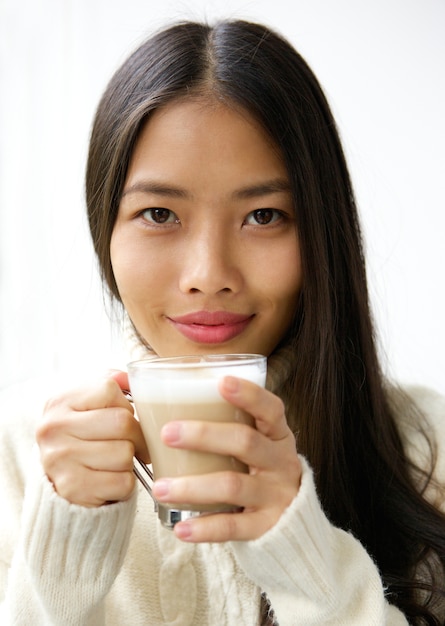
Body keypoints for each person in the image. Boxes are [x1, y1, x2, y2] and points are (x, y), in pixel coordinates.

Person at [1, 19, 444, 626]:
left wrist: (306, 562)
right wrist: (63, 558)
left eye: (263, 215)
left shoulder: (430, 449)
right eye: (159, 212)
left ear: (321, 232)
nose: (209, 274)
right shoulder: (19, 457)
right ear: (105, 230)